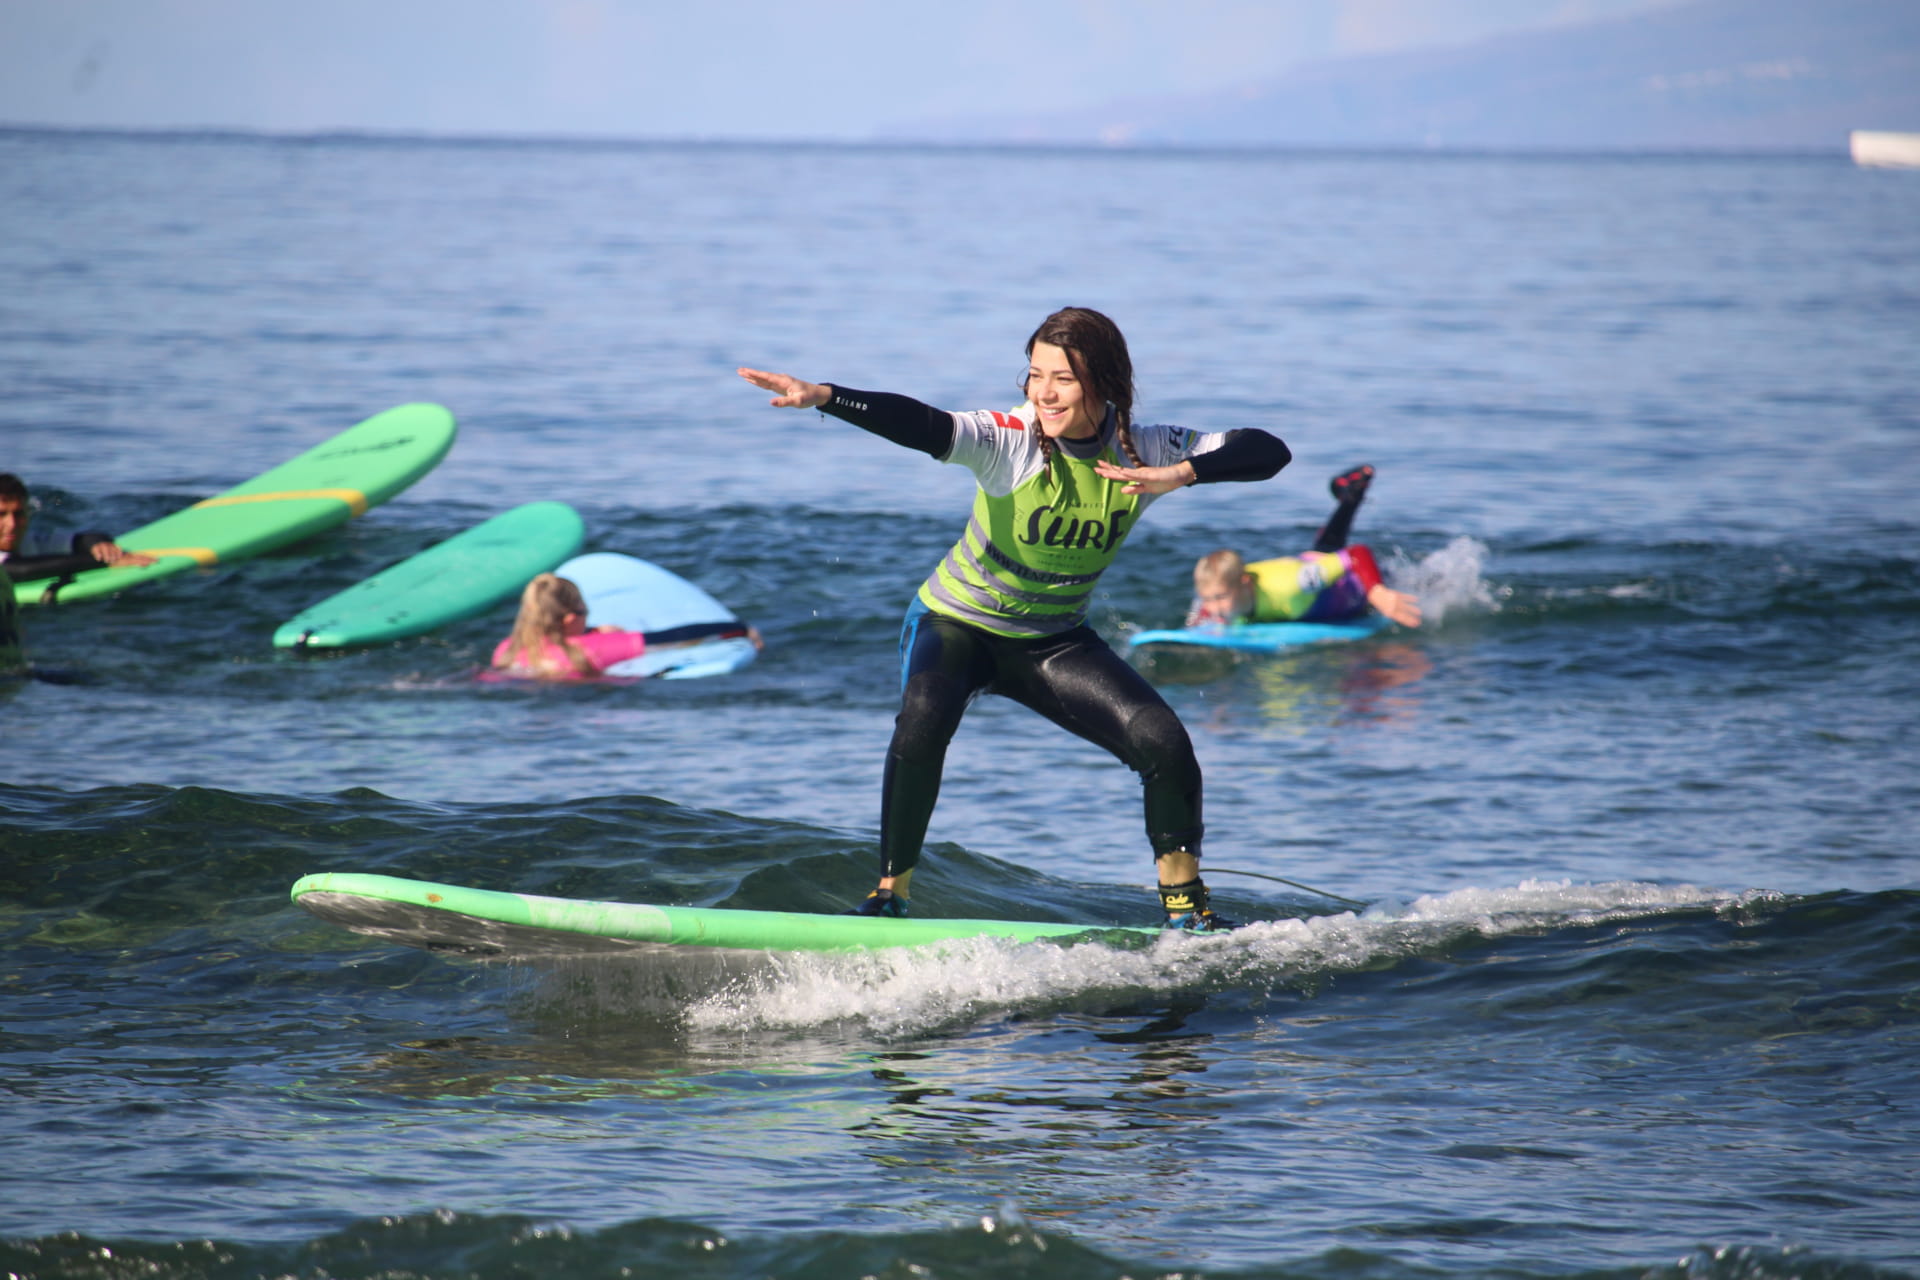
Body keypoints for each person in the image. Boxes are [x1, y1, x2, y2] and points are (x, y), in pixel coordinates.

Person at [738, 306, 1291, 931]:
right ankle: (890, 893)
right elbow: (921, 423)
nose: (1044, 392)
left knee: (1163, 742)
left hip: (1051, 642)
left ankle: (1186, 912)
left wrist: (1182, 474)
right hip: (957, 625)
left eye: (1063, 378)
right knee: (924, 714)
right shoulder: (1010, 438)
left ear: (1104, 382)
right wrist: (827, 397)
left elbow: (1269, 451)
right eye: (1034, 375)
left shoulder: (1151, 448)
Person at [1188, 465, 1423, 630]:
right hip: (1313, 573)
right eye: (1207, 599)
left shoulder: (1292, 584)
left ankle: (1351, 495)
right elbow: (1209, 607)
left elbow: (1356, 554)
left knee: (1425, 585)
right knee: (1327, 547)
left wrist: (1377, 592)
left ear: (1244, 583)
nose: (1213, 608)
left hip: (1352, 589)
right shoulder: (1222, 591)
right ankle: (1351, 492)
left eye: (1219, 598)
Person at [490, 572, 761, 680]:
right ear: (570, 619)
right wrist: (739, 628)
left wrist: (592, 631)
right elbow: (671, 637)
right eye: (584, 612)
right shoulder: (596, 649)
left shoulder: (507, 649)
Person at [0, 472, 156, 587]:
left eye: (18, 514)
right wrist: (102, 562)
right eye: (1, 515)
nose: (12, 524)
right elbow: (19, 571)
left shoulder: (30, 541)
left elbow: (83, 539)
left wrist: (100, 547)